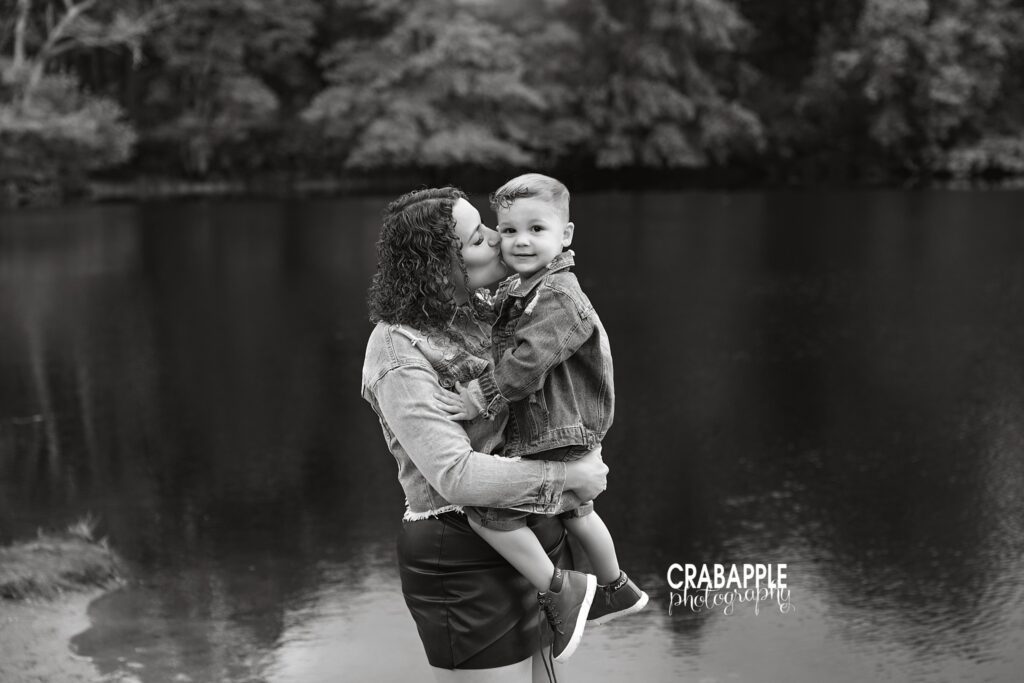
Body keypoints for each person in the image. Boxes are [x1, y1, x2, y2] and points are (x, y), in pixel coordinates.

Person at [361, 186, 610, 683]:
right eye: (479, 238)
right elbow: (455, 475)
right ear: (437, 268)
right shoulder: (396, 349)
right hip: (460, 555)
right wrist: (567, 477)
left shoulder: (494, 305)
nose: (501, 240)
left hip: (533, 537)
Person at [433, 174, 648, 660]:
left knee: (487, 515)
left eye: (536, 229)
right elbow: (501, 317)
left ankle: (560, 588)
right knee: (577, 511)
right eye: (508, 231)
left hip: (556, 428)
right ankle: (617, 587)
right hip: (565, 425)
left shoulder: (557, 297)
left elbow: (527, 366)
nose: (520, 241)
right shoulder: (529, 285)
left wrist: (479, 398)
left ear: (566, 234)